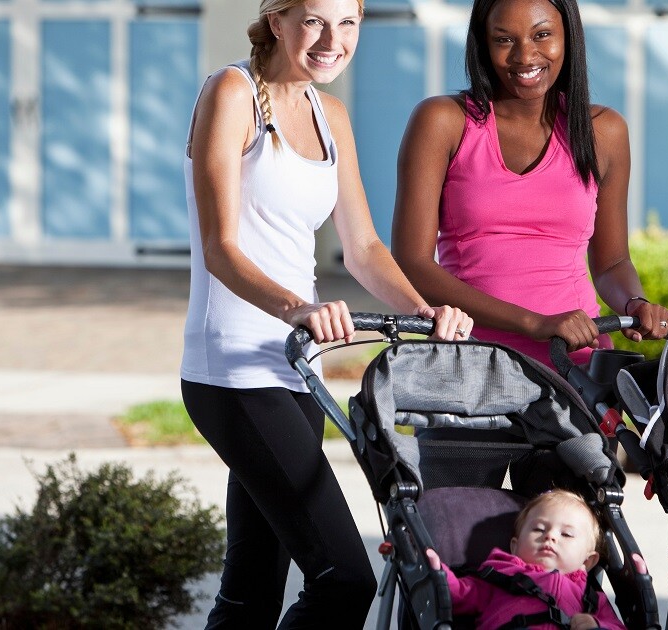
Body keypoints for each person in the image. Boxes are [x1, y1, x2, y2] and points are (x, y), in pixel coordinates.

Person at [179, 0, 473, 626]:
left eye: (349, 24)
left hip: (296, 369)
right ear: (277, 18)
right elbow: (220, 247)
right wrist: (299, 309)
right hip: (231, 370)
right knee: (344, 578)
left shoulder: (329, 113)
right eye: (314, 20)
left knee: (252, 585)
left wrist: (428, 311)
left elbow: (363, 248)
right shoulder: (232, 92)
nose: (332, 41)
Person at [391, 0, 668, 368]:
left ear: (568, 37)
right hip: (470, 364)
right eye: (504, 39)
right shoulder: (442, 121)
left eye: (542, 35)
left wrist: (634, 302)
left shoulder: (603, 131)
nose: (525, 56)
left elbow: (612, 262)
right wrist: (533, 323)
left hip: (577, 368)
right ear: (483, 44)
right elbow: (412, 263)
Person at [425, 490, 633, 630]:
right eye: (538, 529)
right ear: (514, 546)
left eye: (567, 534)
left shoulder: (591, 599)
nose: (550, 536)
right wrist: (434, 566)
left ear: (587, 562)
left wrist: (595, 625)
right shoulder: (497, 577)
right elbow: (458, 594)